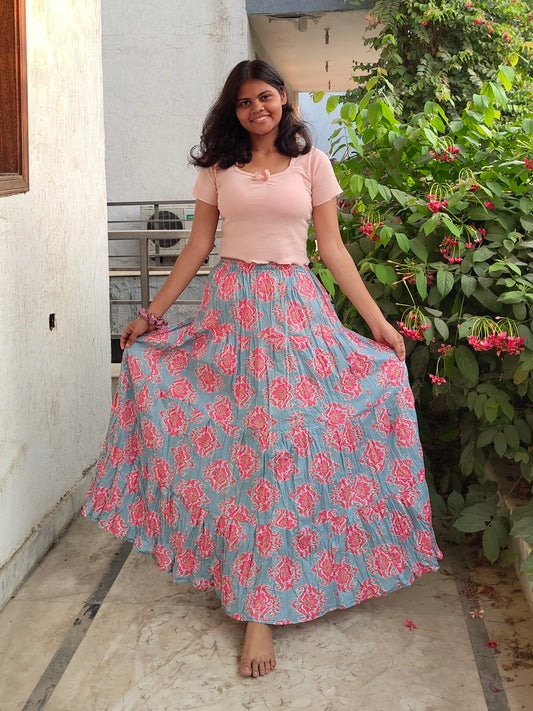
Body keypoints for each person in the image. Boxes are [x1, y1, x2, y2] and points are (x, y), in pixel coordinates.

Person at [83, 59, 442, 679]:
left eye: (267, 97)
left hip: (296, 317)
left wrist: (380, 323)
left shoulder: (313, 164)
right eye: (246, 102)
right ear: (234, 110)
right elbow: (198, 246)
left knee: (284, 448)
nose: (258, 109)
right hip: (230, 319)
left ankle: (269, 599)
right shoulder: (218, 168)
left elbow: (331, 249)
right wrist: (152, 313)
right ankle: (254, 601)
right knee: (248, 449)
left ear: (284, 101)